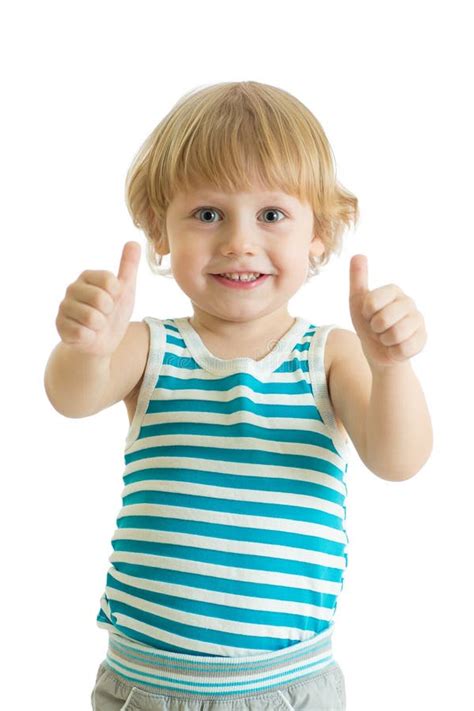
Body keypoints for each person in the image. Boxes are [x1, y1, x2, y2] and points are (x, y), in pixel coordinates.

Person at [44, 81, 432, 711]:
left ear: (319, 235)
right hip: (143, 686)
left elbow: (399, 458)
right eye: (207, 214)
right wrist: (86, 345)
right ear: (160, 231)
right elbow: (71, 397)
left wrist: (391, 369)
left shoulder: (329, 356)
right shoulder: (150, 348)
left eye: (271, 215)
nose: (238, 242)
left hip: (283, 686)